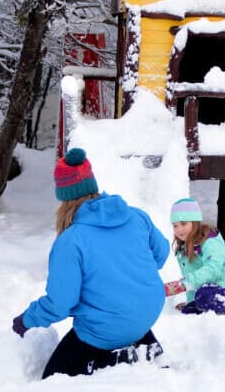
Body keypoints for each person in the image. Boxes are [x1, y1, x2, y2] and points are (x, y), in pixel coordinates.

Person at [12, 148, 170, 378]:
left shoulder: (71, 240)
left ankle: (114, 360)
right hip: (147, 315)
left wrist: (27, 320)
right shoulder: (136, 216)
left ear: (63, 197)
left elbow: (61, 303)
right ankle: (143, 348)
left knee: (51, 379)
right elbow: (162, 254)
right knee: (121, 322)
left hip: (104, 329)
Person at [165, 198, 225, 315]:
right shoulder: (183, 249)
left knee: (205, 296)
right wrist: (191, 301)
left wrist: (183, 284)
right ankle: (201, 302)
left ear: (195, 222)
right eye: (175, 226)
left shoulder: (210, 241)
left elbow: (213, 270)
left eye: (183, 224)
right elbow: (191, 277)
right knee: (190, 309)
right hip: (202, 292)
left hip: (224, 286)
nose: (179, 229)